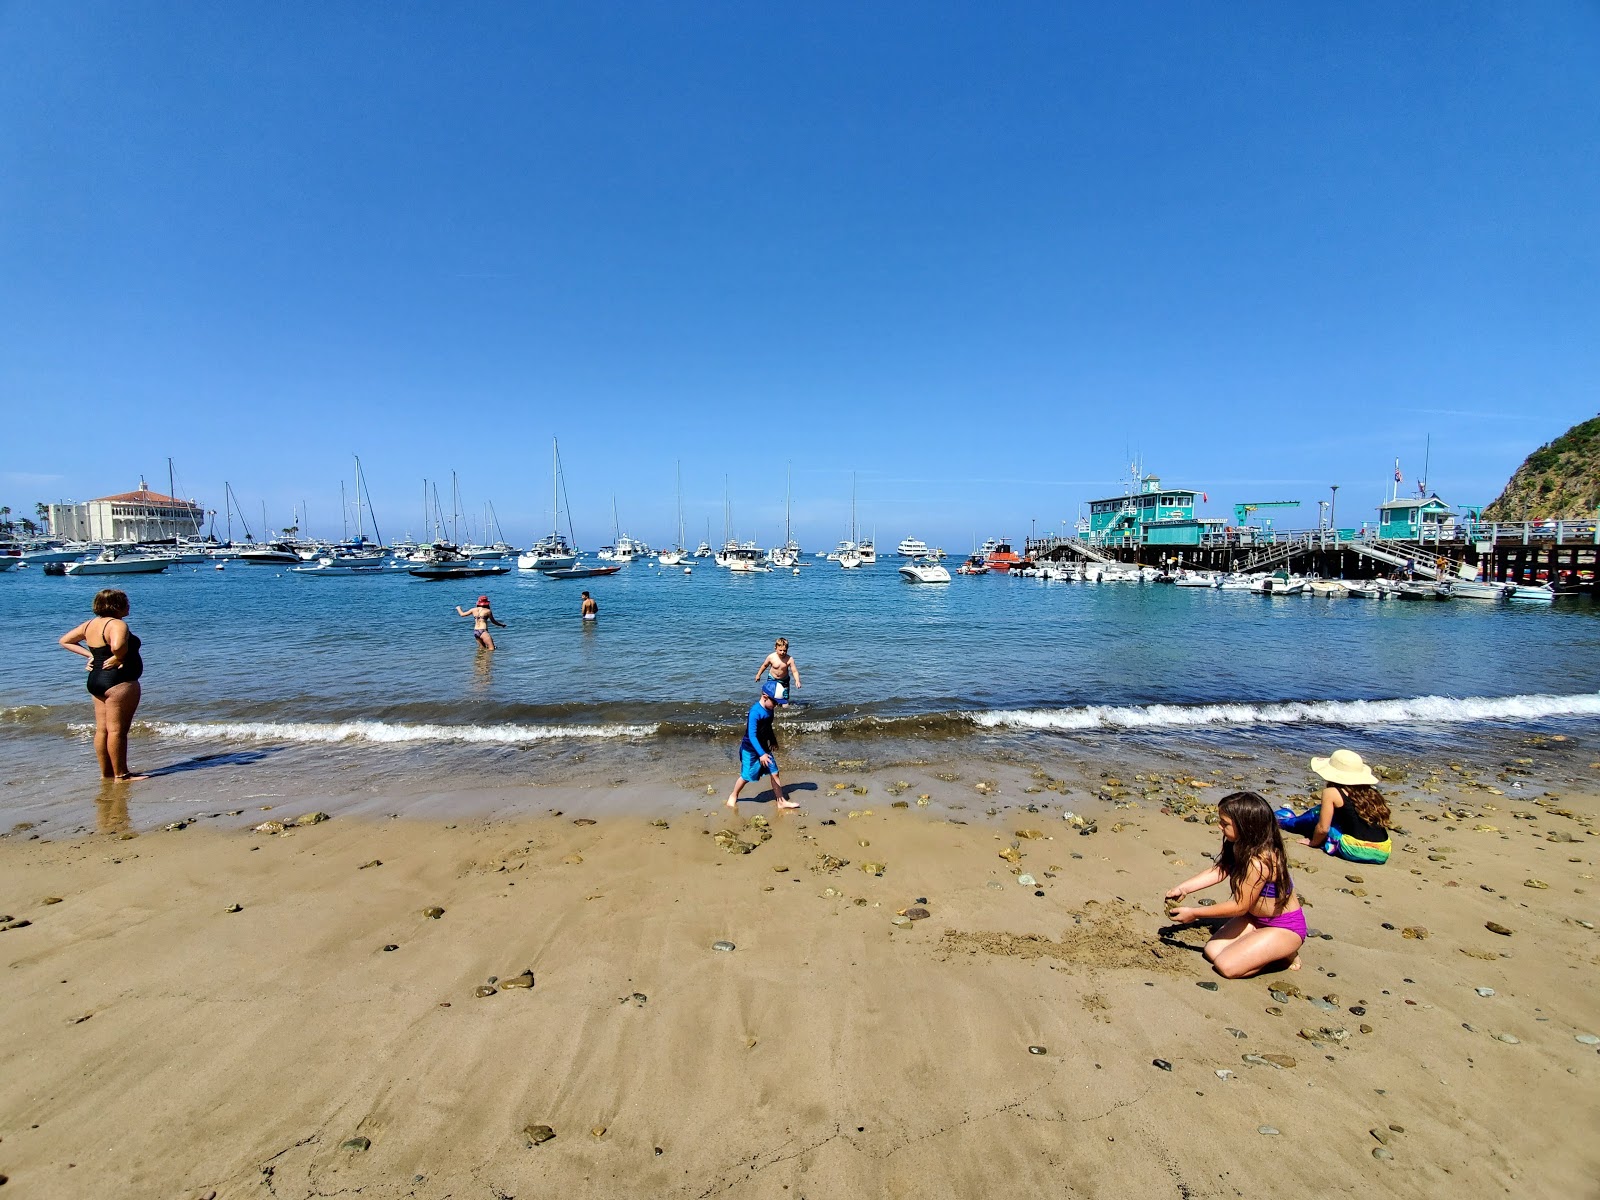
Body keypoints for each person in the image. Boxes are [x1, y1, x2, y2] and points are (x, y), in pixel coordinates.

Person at [1166, 791, 1304, 979]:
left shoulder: (1260, 861)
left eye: (1225, 823)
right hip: (1255, 919)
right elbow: (1220, 870)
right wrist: (1184, 888)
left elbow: (1240, 906)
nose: (1219, 826)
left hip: (1284, 926)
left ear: (1246, 826)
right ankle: (1262, 942)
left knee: (1226, 966)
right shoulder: (1238, 844)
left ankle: (1284, 951)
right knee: (1212, 951)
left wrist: (1194, 913)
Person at [58, 588, 148, 781]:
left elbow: (65, 641)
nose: (129, 605)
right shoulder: (117, 624)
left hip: (96, 679)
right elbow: (117, 646)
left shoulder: (90, 624)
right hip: (119, 681)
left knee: (102, 729)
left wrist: (90, 655)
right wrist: (118, 656)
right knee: (117, 730)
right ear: (116, 605)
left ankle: (107, 773)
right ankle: (121, 774)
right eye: (126, 602)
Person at [1275, 749, 1392, 864]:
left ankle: (1285, 821)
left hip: (1354, 850)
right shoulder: (1371, 794)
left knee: (1317, 814)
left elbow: (1323, 828)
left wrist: (1313, 843)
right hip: (1383, 851)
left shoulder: (1332, 792)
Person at [727, 680, 800, 810]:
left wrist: (772, 740)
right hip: (751, 750)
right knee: (746, 777)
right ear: (765, 697)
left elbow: (767, 728)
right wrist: (761, 754)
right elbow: (752, 735)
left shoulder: (770, 709)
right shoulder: (755, 712)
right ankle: (734, 795)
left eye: (778, 703)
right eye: (775, 702)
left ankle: (781, 801)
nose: (776, 705)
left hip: (764, 748)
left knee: (775, 772)